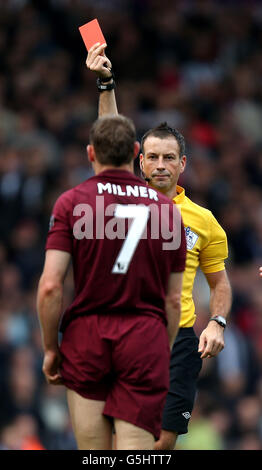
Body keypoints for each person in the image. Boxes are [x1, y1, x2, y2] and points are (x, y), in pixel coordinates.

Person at [86, 43, 232, 450]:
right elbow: (109, 130)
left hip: (180, 339)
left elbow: (220, 284)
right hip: (125, 331)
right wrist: (106, 82)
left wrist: (217, 323)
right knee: (121, 438)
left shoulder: (204, 221)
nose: (161, 165)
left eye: (169, 157)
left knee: (163, 441)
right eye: (152, 157)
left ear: (183, 163)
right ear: (139, 162)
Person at [37, 113, 187, 450]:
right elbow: (174, 300)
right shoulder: (167, 211)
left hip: (86, 337)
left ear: (91, 153)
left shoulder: (71, 202)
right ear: (136, 151)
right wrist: (159, 349)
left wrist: (50, 348)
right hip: (144, 336)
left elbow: (50, 286)